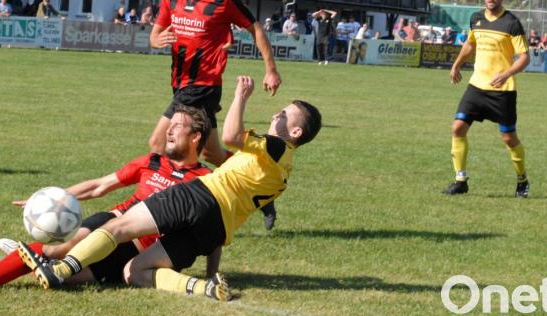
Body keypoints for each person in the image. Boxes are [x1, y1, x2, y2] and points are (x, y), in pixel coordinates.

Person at [17, 76, 322, 301]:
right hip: (216, 229)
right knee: (133, 273)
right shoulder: (284, 172)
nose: (275, 114)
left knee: (118, 225)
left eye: (283, 115)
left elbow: (230, 135)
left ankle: (61, 270)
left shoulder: (276, 147)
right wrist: (212, 271)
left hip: (199, 196)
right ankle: (203, 288)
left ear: (295, 131)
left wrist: (241, 95)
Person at [0, 106, 214, 295]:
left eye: (177, 126)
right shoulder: (152, 161)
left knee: (63, 278)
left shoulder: (206, 180)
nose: (168, 130)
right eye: (170, 126)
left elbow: (213, 230)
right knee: (54, 250)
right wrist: (51, 200)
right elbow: (100, 185)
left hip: (137, 250)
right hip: (111, 223)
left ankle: (25, 255)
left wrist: (213, 274)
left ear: (195, 136)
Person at [147, 0, 282, 170]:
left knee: (159, 144)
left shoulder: (223, 1)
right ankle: (258, 175)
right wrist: (156, 40)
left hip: (202, 85)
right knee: (212, 154)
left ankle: (160, 199)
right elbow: (155, 34)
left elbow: (256, 29)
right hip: (180, 83)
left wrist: (271, 70)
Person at [442, 0, 531, 198]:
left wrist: (507, 73)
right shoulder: (476, 18)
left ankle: (522, 179)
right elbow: (470, 43)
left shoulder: (511, 23)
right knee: (457, 128)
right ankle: (460, 180)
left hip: (503, 91)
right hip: (477, 87)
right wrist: (457, 64)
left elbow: (524, 57)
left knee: (509, 138)